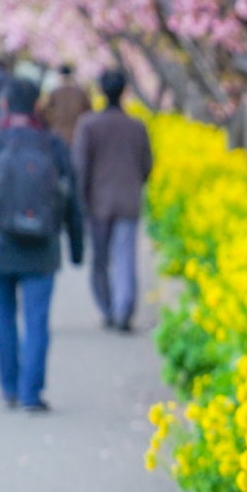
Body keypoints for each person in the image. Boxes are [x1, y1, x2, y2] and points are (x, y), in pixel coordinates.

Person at [0, 77, 85, 412]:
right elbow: (72, 201)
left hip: (0, 248)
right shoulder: (52, 144)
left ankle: (9, 388)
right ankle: (31, 393)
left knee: (2, 319)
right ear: (37, 105)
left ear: (4, 104)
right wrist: (77, 248)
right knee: (36, 321)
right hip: (42, 248)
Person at [72, 69, 152, 332]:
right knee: (125, 257)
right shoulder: (137, 126)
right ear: (124, 91)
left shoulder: (88, 124)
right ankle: (123, 309)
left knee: (100, 260)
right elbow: (147, 165)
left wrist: (81, 200)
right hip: (128, 201)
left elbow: (80, 167)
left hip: (97, 204)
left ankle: (107, 308)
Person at [41, 64, 91, 147]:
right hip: (77, 133)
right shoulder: (80, 92)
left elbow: (44, 111)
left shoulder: (55, 92)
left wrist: (52, 123)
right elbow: (89, 111)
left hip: (58, 133)